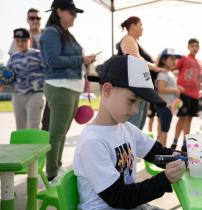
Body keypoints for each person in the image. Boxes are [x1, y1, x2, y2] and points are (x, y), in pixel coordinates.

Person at [73, 55, 187, 210]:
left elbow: (159, 155)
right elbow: (119, 197)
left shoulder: (126, 128)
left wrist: (192, 161)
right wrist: (165, 179)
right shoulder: (93, 141)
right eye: (132, 100)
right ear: (107, 90)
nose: (135, 110)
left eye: (139, 103)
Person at [40, 0, 96, 182]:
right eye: (72, 12)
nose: (75, 16)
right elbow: (53, 60)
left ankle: (56, 165)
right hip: (59, 87)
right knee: (56, 132)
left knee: (62, 131)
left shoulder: (64, 33)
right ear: (59, 11)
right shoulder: (50, 33)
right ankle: (51, 174)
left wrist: (83, 61)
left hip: (70, 87)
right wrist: (81, 59)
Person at [117, 16, 165, 130]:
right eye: (140, 25)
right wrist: (154, 67)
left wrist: (156, 64)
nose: (142, 28)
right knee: (132, 126)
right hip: (135, 88)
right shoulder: (128, 39)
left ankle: (133, 147)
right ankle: (129, 147)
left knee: (137, 127)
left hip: (141, 89)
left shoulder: (134, 41)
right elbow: (135, 59)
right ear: (132, 26)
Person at [2, 28, 44, 129]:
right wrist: (2, 83)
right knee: (20, 128)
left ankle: (34, 145)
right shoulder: (13, 57)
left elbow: (48, 72)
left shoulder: (39, 54)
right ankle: (22, 145)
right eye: (17, 40)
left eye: (24, 40)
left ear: (29, 40)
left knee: (33, 126)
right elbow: (8, 75)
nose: (20, 43)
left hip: (35, 94)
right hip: (18, 95)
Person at [171, 38, 202, 152]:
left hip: (195, 95)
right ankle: (174, 142)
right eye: (192, 46)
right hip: (184, 93)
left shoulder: (199, 62)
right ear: (188, 47)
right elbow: (172, 68)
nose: (195, 48)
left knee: (189, 119)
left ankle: (185, 143)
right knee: (182, 117)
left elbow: (198, 79)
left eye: (197, 46)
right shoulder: (184, 59)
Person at [155, 48, 183, 146]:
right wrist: (175, 90)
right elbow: (161, 88)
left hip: (167, 106)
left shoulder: (169, 73)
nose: (174, 61)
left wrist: (177, 88)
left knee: (162, 130)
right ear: (164, 60)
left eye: (175, 59)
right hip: (165, 106)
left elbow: (166, 86)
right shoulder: (163, 73)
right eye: (171, 59)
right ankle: (163, 153)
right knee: (164, 131)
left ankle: (159, 152)